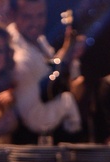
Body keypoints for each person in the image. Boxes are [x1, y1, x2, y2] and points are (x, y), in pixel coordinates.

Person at [7, 0, 86, 143]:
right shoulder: (19, 59)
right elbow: (36, 120)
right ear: (13, 14)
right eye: (27, 17)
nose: (35, 23)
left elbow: (48, 70)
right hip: (27, 143)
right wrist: (71, 99)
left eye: (40, 15)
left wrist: (68, 49)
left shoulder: (37, 39)